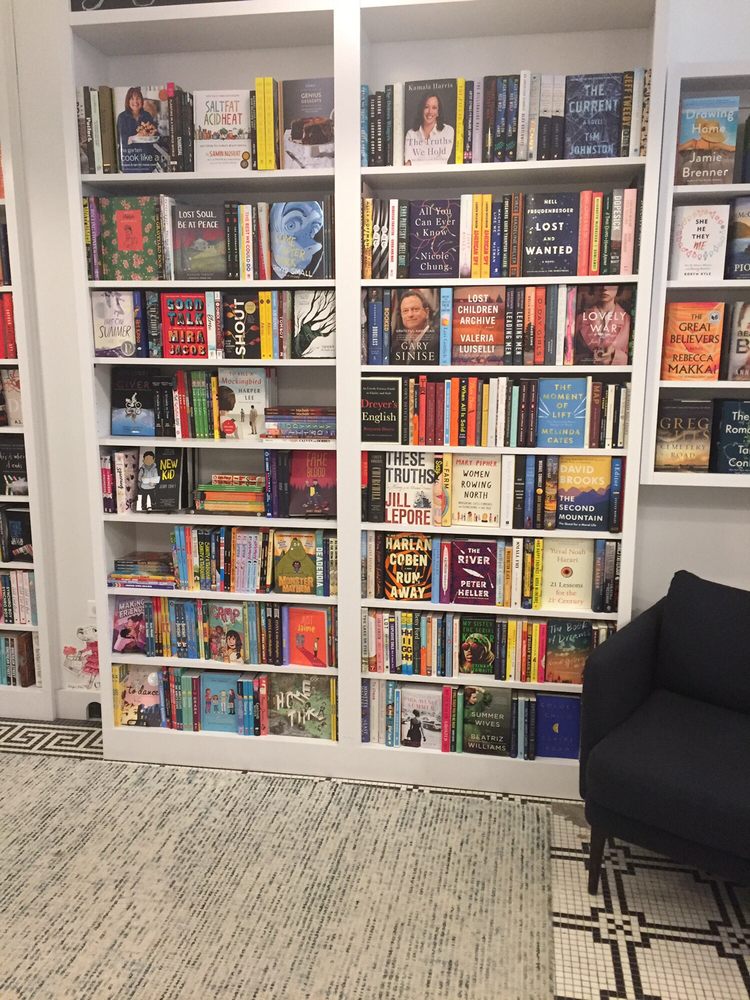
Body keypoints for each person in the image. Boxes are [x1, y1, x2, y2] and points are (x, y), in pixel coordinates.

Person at [574, 285, 631, 365]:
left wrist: (614, 355)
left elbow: (635, 359)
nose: (604, 288)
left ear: (619, 287)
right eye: (600, 283)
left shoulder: (628, 320)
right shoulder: (579, 319)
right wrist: (589, 357)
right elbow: (569, 357)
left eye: (610, 283)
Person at [116, 86, 163, 172]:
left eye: (138, 98)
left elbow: (154, 134)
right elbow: (121, 140)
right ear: (128, 101)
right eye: (132, 99)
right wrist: (137, 137)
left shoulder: (147, 115)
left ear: (141, 100)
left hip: (146, 161)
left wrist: (153, 134)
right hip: (130, 162)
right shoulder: (122, 117)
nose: (135, 102)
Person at [404, 92, 455, 164]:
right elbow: (408, 165)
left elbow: (441, 162)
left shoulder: (448, 131)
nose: (430, 112)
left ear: (438, 112)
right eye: (426, 107)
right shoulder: (411, 134)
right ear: (421, 110)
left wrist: (415, 162)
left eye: (434, 108)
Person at [391, 289, 439, 364]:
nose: (410, 315)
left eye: (415, 309)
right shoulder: (397, 345)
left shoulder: (437, 343)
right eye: (405, 311)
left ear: (426, 312)